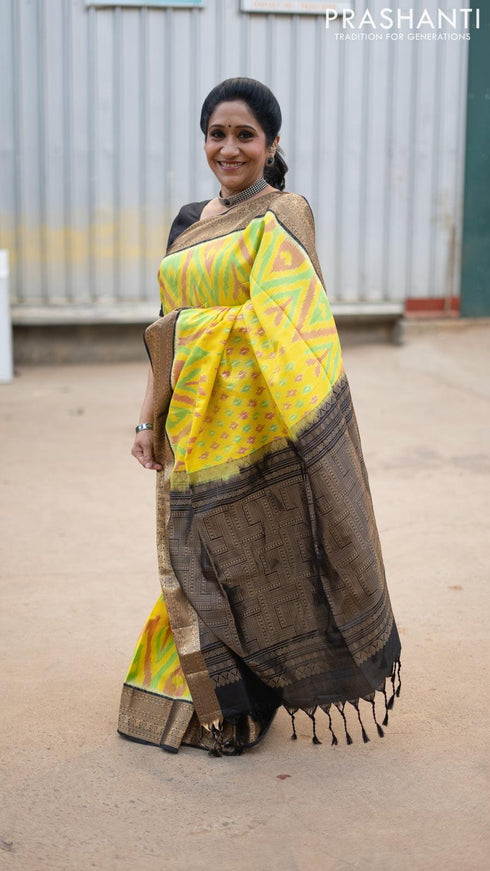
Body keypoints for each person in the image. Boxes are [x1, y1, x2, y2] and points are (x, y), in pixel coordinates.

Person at [117, 77, 401, 756]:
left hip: (262, 439)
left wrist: (198, 328)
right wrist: (146, 420)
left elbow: (298, 328)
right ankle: (203, 696)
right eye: (218, 133)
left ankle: (245, 704)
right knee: (195, 565)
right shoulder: (188, 223)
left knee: (258, 564)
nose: (229, 147)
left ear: (271, 143)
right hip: (193, 432)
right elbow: (166, 331)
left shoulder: (284, 214)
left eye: (245, 134)